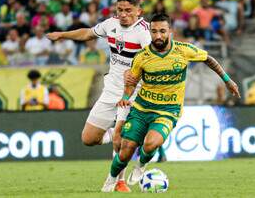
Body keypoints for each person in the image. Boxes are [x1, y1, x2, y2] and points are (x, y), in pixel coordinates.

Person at [101, 13, 240, 192]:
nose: (158, 36)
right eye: (154, 31)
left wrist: (227, 80)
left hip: (168, 110)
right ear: (150, 32)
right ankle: (111, 180)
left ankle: (141, 165)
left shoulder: (183, 50)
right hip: (142, 108)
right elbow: (132, 81)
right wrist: (126, 98)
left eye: (162, 31)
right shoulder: (142, 57)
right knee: (126, 149)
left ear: (170, 31)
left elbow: (209, 59)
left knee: (151, 143)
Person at [46, 0, 151, 192]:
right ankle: (117, 134)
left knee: (121, 136)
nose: (123, 14)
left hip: (133, 92)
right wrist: (62, 35)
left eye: (128, 10)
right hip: (110, 88)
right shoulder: (110, 24)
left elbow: (153, 61)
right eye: (120, 10)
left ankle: (118, 181)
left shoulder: (144, 33)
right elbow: (87, 33)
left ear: (139, 11)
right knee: (89, 139)